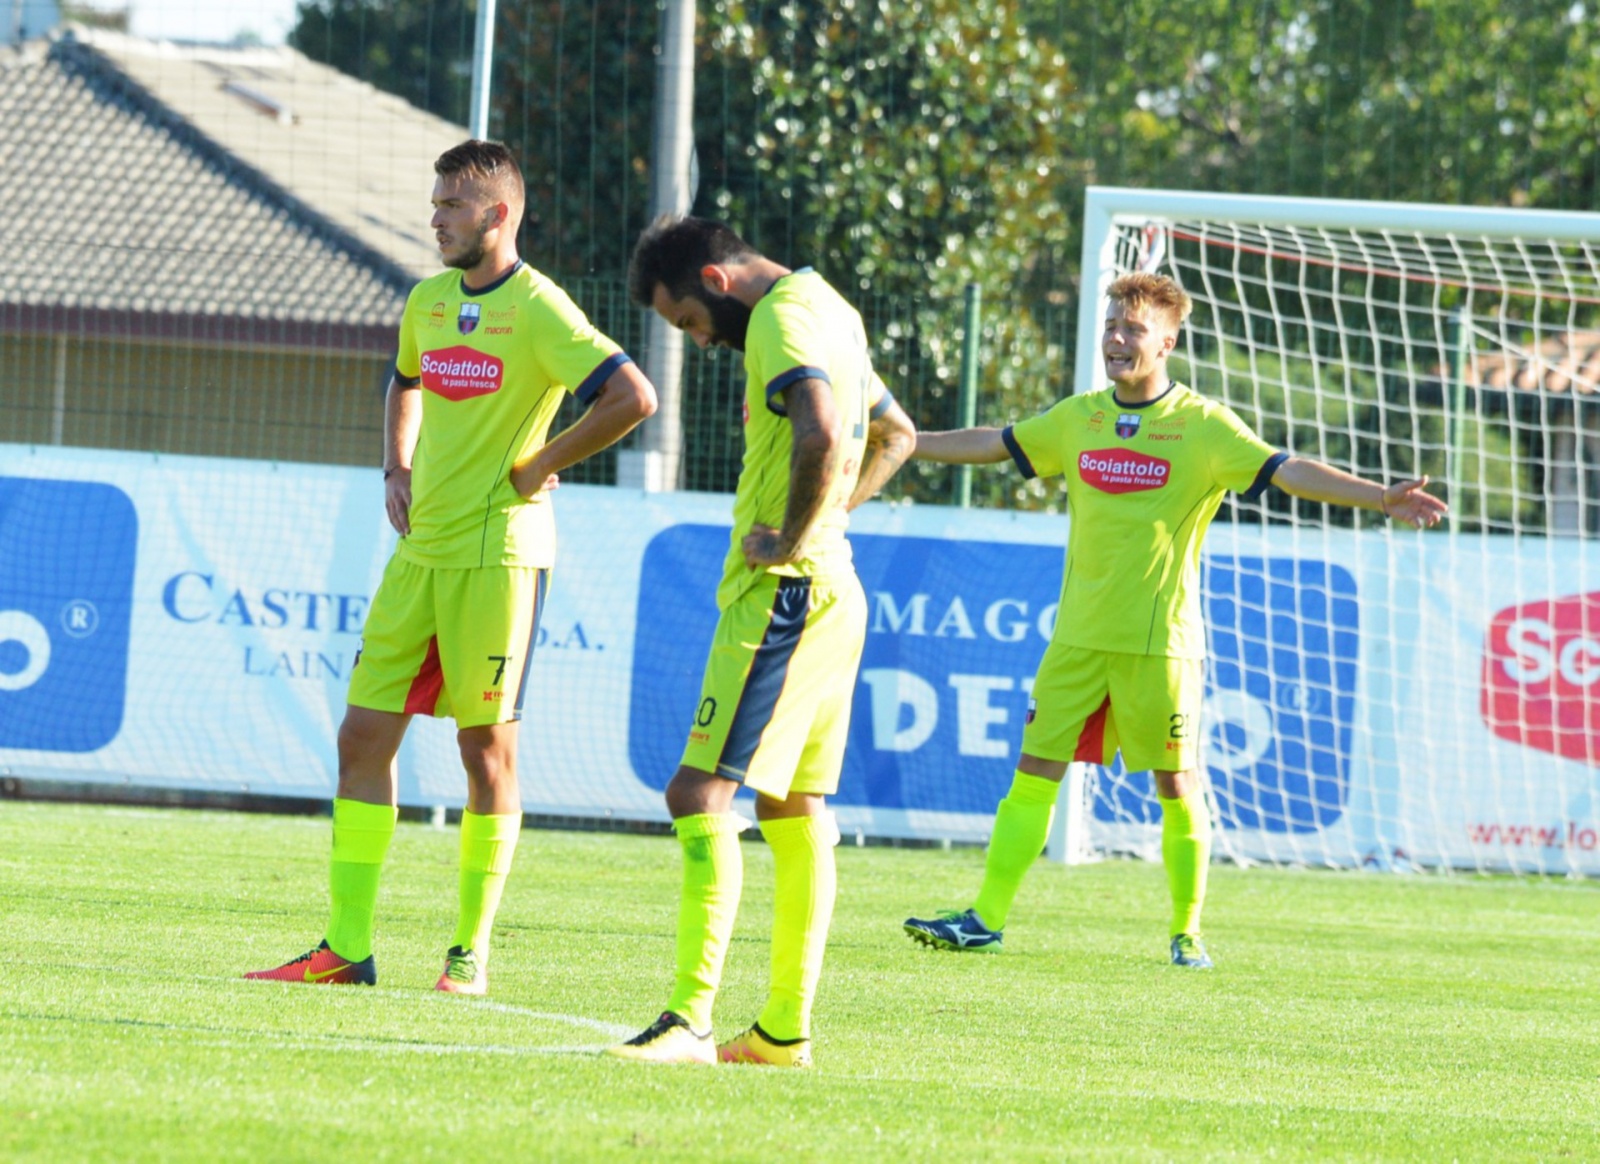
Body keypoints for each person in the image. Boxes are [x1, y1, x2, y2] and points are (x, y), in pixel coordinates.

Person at [903, 271, 1445, 968]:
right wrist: (906, 441)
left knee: (1176, 782)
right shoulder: (1078, 418)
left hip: (1160, 645)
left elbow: (1287, 469)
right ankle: (985, 918)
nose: (1116, 339)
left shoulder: (1203, 425)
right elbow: (996, 443)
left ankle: (1187, 932)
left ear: (1167, 343)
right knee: (1033, 772)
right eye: (1111, 326)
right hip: (1076, 638)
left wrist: (1379, 497)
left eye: (1133, 329)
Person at [246, 140, 657, 995]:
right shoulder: (428, 302)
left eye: (451, 206)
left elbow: (632, 397)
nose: (435, 219)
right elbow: (406, 381)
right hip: (420, 552)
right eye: (434, 203)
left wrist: (542, 464)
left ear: (497, 215)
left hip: (498, 557)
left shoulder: (540, 308)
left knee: (485, 751)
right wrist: (395, 467)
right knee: (361, 737)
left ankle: (468, 954)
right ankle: (345, 949)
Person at [608, 214, 916, 1067]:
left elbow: (820, 429)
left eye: (688, 322)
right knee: (794, 806)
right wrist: (825, 522)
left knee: (698, 793)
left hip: (785, 594)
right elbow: (898, 434)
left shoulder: (780, 318)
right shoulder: (832, 308)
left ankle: (689, 1020)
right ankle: (783, 1029)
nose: (700, 342)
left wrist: (789, 535)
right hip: (834, 588)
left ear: (716, 282)